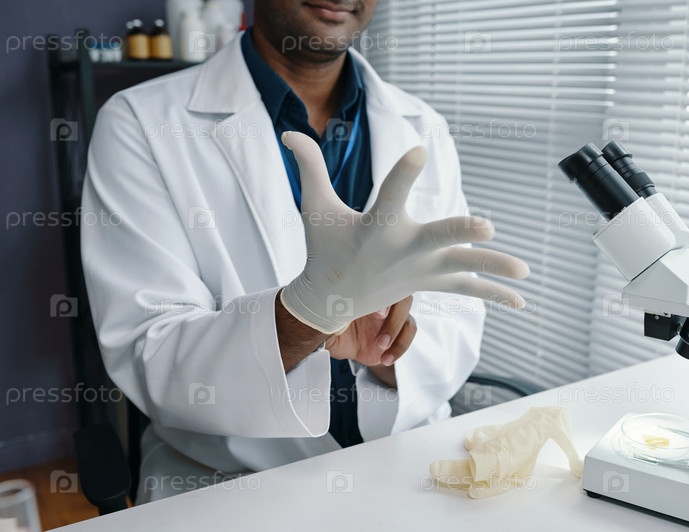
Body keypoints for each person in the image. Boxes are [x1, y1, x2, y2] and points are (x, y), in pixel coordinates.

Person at [81, 0, 528, 503]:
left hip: (406, 464)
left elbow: (454, 322)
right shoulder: (140, 122)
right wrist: (306, 316)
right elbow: (151, 353)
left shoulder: (422, 124)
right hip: (229, 487)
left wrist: (388, 349)